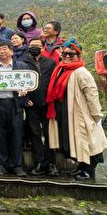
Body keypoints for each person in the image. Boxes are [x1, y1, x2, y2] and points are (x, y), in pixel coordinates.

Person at [47, 38, 107, 180]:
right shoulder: (60, 69)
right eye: (65, 54)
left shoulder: (81, 72)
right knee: (74, 141)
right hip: (65, 112)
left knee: (87, 141)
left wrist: (96, 115)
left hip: (81, 113)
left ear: (78, 56)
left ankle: (88, 170)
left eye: (71, 54)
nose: (67, 56)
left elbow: (92, 94)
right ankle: (81, 167)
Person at [0, 41, 29, 177]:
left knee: (16, 134)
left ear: (11, 51)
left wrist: (25, 92)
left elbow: (28, 84)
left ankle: (17, 166)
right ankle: (2, 165)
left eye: (4, 49)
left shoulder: (21, 66)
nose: (1, 52)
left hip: (14, 104)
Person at [22, 37, 58, 176]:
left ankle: (51, 163)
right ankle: (39, 162)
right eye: (32, 45)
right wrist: (26, 98)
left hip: (48, 104)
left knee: (50, 134)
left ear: (43, 47)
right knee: (35, 133)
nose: (34, 47)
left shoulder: (51, 62)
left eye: (37, 45)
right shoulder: (23, 62)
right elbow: (20, 83)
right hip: (32, 105)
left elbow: (55, 81)